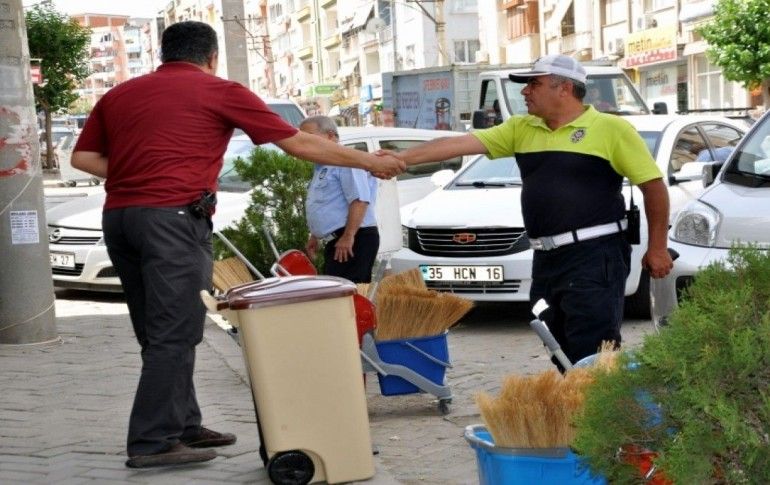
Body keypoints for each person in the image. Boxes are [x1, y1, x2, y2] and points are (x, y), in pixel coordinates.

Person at [71, 21, 404, 469]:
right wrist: (368, 161)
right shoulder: (220, 90)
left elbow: (82, 158)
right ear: (212, 57)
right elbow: (298, 144)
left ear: (164, 54)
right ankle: (152, 441)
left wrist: (142, 172)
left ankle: (183, 424)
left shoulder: (119, 94)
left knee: (157, 328)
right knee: (176, 330)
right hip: (172, 221)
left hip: (121, 219)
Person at [382, 54, 673, 369]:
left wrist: (657, 247)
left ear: (563, 88)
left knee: (593, 347)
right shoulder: (522, 128)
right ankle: (573, 393)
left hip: (594, 254)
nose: (525, 91)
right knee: (555, 340)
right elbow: (459, 144)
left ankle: (593, 399)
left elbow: (654, 187)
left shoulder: (611, 129)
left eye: (534, 84)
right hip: (546, 258)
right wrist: (401, 158)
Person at [302, 116, 380, 283]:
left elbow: (360, 200)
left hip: (354, 238)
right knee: (335, 291)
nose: (304, 143)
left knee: (346, 293)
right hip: (339, 239)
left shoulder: (346, 160)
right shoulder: (323, 164)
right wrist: (315, 235)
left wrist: (348, 236)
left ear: (330, 136)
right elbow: (327, 203)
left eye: (309, 137)